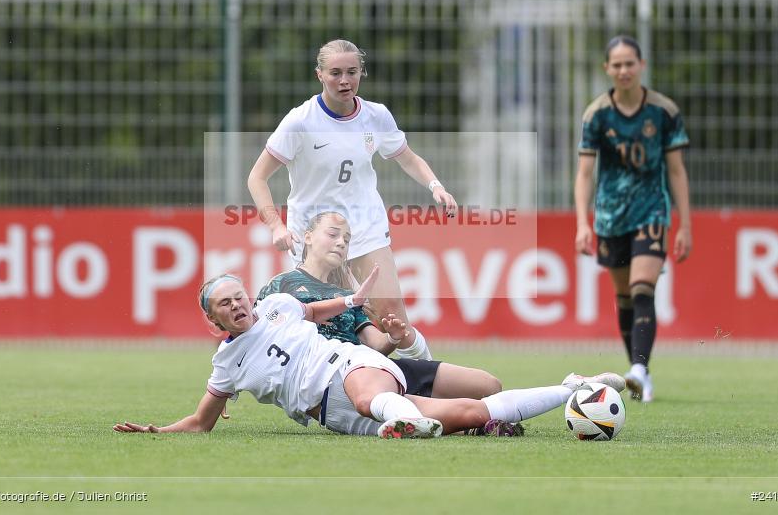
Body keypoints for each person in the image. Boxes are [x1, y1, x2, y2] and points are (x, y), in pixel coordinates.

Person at [113, 274, 626, 439]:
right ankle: (575, 387)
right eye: (225, 304)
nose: (238, 305)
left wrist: (351, 301)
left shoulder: (277, 305)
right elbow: (202, 422)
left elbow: (314, 310)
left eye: (239, 296)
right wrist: (158, 431)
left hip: (351, 368)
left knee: (367, 396)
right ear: (214, 322)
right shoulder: (226, 366)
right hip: (334, 414)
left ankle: (407, 424)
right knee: (472, 413)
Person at [247, 38, 458, 361]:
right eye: (335, 73)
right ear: (319, 75)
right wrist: (276, 225)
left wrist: (435, 186)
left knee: (392, 317)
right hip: (315, 236)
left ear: (362, 73)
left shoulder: (376, 116)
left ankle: (429, 376)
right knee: (343, 324)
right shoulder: (300, 121)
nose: (344, 81)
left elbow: (407, 158)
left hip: (365, 227)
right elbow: (257, 177)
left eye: (352, 72)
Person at [256, 210, 505, 418]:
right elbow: (251, 337)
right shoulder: (282, 286)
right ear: (308, 237)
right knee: (453, 413)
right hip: (341, 382)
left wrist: (393, 338)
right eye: (333, 234)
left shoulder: (347, 295)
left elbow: (376, 345)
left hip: (375, 367)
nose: (341, 243)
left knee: (489, 386)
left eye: (346, 239)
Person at [574, 35, 693, 403]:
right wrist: (583, 223)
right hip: (610, 217)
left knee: (643, 288)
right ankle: (641, 370)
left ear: (642, 65)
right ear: (607, 69)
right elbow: (584, 173)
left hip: (652, 210)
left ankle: (638, 370)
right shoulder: (596, 114)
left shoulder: (664, 112)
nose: (624, 70)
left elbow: (676, 171)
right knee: (624, 297)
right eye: (617, 64)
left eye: (630, 63)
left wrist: (685, 225)